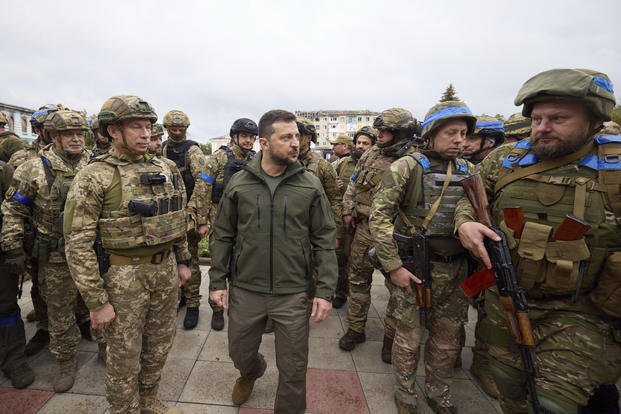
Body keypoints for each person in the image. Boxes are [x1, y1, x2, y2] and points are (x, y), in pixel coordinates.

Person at [455, 68, 621, 414]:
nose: (542, 127)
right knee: (507, 385)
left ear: (593, 119)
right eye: (538, 118)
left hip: (582, 311)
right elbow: (468, 200)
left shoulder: (614, 168)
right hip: (506, 298)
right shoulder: (505, 160)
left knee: (554, 404)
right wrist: (465, 225)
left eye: (558, 118)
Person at [64, 95, 191, 414]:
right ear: (111, 131)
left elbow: (175, 216)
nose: (146, 132)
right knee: (123, 357)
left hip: (165, 273)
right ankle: (125, 409)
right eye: (136, 126)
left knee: (159, 346)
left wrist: (184, 260)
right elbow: (77, 242)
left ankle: (148, 399)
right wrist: (96, 301)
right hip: (123, 279)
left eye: (148, 125)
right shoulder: (95, 175)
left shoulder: (166, 167)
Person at [209, 109, 337, 414]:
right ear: (264, 143)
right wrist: (216, 282)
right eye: (287, 137)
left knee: (294, 369)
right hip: (246, 289)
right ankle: (251, 371)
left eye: (297, 136)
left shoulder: (309, 185)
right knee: (239, 352)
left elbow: (324, 239)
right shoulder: (240, 183)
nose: (296, 143)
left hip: (292, 292)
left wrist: (325, 290)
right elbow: (223, 235)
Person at [370, 101, 475, 413]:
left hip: (455, 270)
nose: (460, 139)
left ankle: (437, 390)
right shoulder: (405, 167)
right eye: (451, 133)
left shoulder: (470, 170)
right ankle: (405, 392)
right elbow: (380, 218)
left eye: (464, 133)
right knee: (409, 336)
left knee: (448, 339)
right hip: (414, 268)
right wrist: (394, 267)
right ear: (431, 134)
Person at [1, 109, 97, 392]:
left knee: (102, 303)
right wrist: (12, 245)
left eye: (80, 134)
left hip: (93, 252)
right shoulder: (33, 168)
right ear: (53, 135)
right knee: (59, 312)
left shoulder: (96, 164)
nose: (77, 139)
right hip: (55, 256)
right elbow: (14, 208)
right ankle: (67, 362)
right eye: (69, 134)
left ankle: (104, 348)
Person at [339, 108, 417, 365]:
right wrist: (348, 209)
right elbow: (353, 183)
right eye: (379, 131)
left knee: (397, 290)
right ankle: (355, 329)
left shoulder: (415, 160)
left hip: (397, 236)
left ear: (401, 134)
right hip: (364, 229)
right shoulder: (370, 154)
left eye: (385, 132)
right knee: (357, 279)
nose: (379, 135)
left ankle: (390, 339)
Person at [162, 109, 209, 330]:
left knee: (189, 260)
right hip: (167, 216)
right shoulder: (162, 148)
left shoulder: (193, 150)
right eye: (173, 129)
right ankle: (179, 297)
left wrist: (198, 217)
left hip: (187, 214)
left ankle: (192, 303)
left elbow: (203, 182)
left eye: (181, 129)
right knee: (170, 261)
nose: (177, 132)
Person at [296, 118, 342, 301]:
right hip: (286, 228)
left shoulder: (322, 165)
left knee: (310, 273)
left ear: (308, 137)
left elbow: (335, 199)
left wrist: (336, 233)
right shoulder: (280, 162)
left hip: (312, 230)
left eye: (297, 135)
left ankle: (303, 314)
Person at [331, 127, 378, 308]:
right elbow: (330, 183)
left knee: (361, 263)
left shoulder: (381, 164)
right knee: (342, 257)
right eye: (358, 142)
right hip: (346, 219)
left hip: (368, 223)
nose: (360, 146)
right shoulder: (343, 163)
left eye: (365, 143)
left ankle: (356, 295)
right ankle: (341, 293)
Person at [0, 159, 35, 389]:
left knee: (5, 306)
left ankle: (14, 359)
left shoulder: (3, 170)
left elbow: (14, 210)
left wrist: (15, 249)